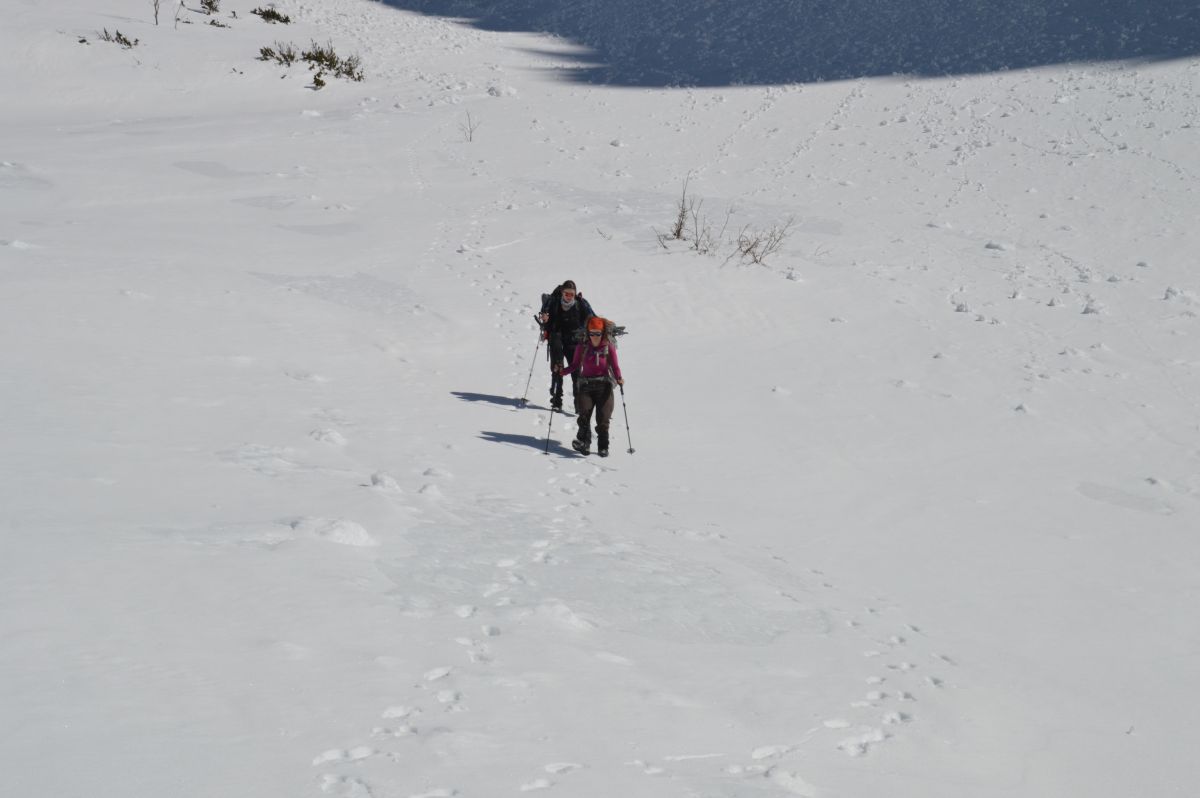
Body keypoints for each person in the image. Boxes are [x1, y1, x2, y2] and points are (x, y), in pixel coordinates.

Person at [557, 316, 624, 457]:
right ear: (588, 333)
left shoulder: (608, 347)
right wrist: (562, 372)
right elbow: (575, 365)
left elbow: (615, 366)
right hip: (585, 385)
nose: (594, 336)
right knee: (584, 415)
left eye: (597, 333)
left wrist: (619, 378)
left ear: (603, 333)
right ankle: (584, 443)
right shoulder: (582, 346)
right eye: (591, 333)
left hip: (604, 386)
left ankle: (603, 447)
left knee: (603, 418)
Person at [539, 280, 594, 412]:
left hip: (574, 341)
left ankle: (578, 402)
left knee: (576, 371)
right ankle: (557, 400)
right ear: (562, 293)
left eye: (571, 294)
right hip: (556, 337)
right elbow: (544, 312)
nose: (568, 297)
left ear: (575, 294)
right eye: (566, 294)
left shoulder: (581, 304)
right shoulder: (554, 302)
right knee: (557, 367)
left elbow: (592, 318)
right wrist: (544, 318)